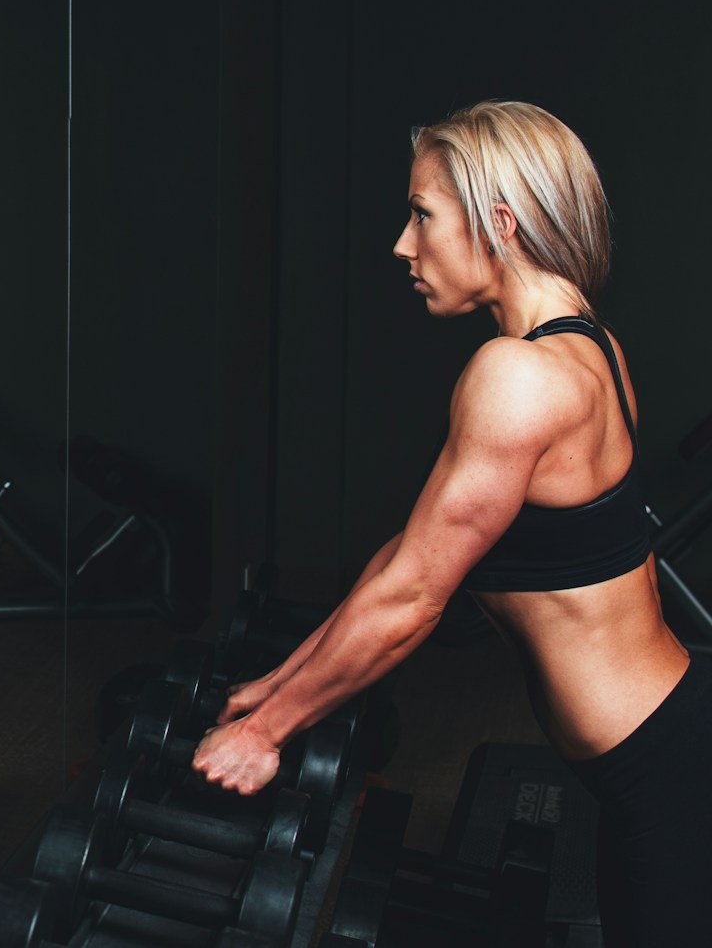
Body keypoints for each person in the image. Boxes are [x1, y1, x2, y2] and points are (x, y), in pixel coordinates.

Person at [190, 100, 710, 946]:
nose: (403, 243)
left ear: (499, 223)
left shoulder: (518, 375)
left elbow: (418, 598)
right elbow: (410, 554)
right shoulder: (593, 350)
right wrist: (284, 684)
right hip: (656, 754)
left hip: (667, 769)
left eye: (422, 214)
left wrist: (265, 736)